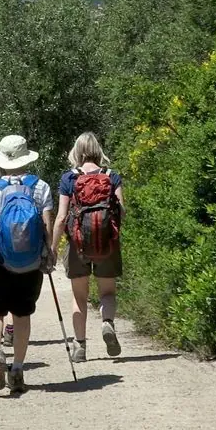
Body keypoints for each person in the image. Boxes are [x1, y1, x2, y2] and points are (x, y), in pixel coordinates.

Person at [0, 134, 56, 393]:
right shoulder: (41, 187)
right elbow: (47, 225)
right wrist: (49, 253)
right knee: (22, 314)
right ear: (26, 157)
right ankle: (17, 369)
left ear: (3, 160)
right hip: (30, 264)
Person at [51, 132, 125, 362]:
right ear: (97, 149)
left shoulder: (69, 179)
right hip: (107, 243)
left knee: (79, 297)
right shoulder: (112, 176)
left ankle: (80, 347)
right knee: (107, 292)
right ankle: (107, 323)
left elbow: (62, 217)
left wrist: (52, 247)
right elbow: (121, 211)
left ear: (77, 151)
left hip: (77, 244)